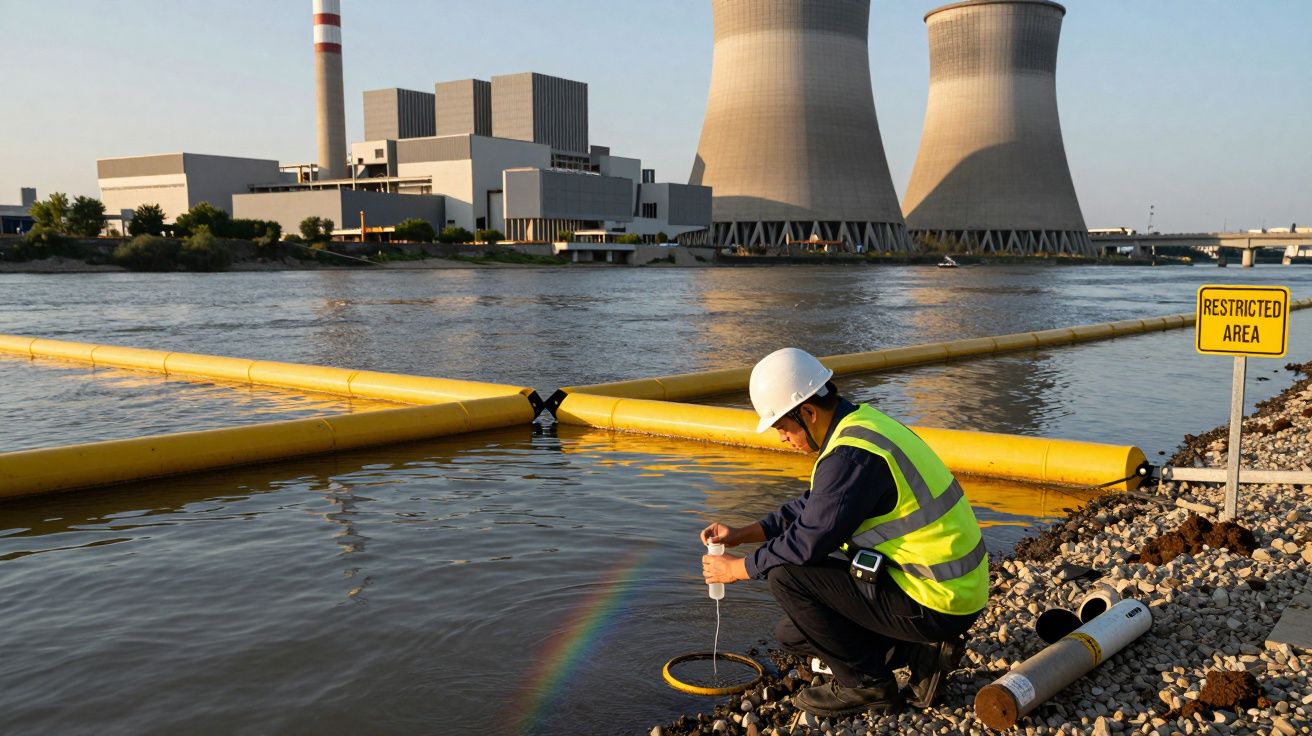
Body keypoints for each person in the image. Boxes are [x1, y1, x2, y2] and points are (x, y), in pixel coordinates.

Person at [699, 347, 989, 717]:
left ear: (807, 412)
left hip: (938, 600)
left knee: (786, 575)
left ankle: (868, 686)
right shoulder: (861, 427)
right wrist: (743, 534)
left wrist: (737, 569)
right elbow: (811, 508)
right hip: (952, 589)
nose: (783, 439)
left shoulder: (851, 457)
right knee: (794, 634)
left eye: (783, 428)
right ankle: (921, 652)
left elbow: (806, 543)